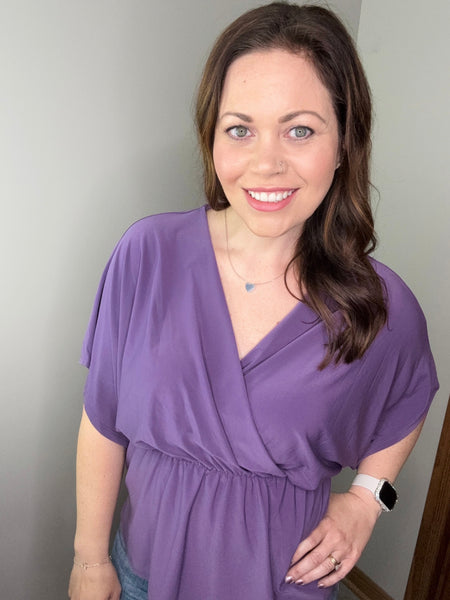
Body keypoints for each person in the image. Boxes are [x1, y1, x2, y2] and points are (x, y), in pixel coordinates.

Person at [68, 3, 438, 599]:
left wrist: (370, 499)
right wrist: (90, 562)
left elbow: (410, 399)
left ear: (344, 143)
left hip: (281, 587)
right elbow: (102, 421)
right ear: (212, 138)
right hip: (139, 576)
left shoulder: (379, 303)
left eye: (300, 130)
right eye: (240, 129)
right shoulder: (147, 255)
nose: (267, 163)